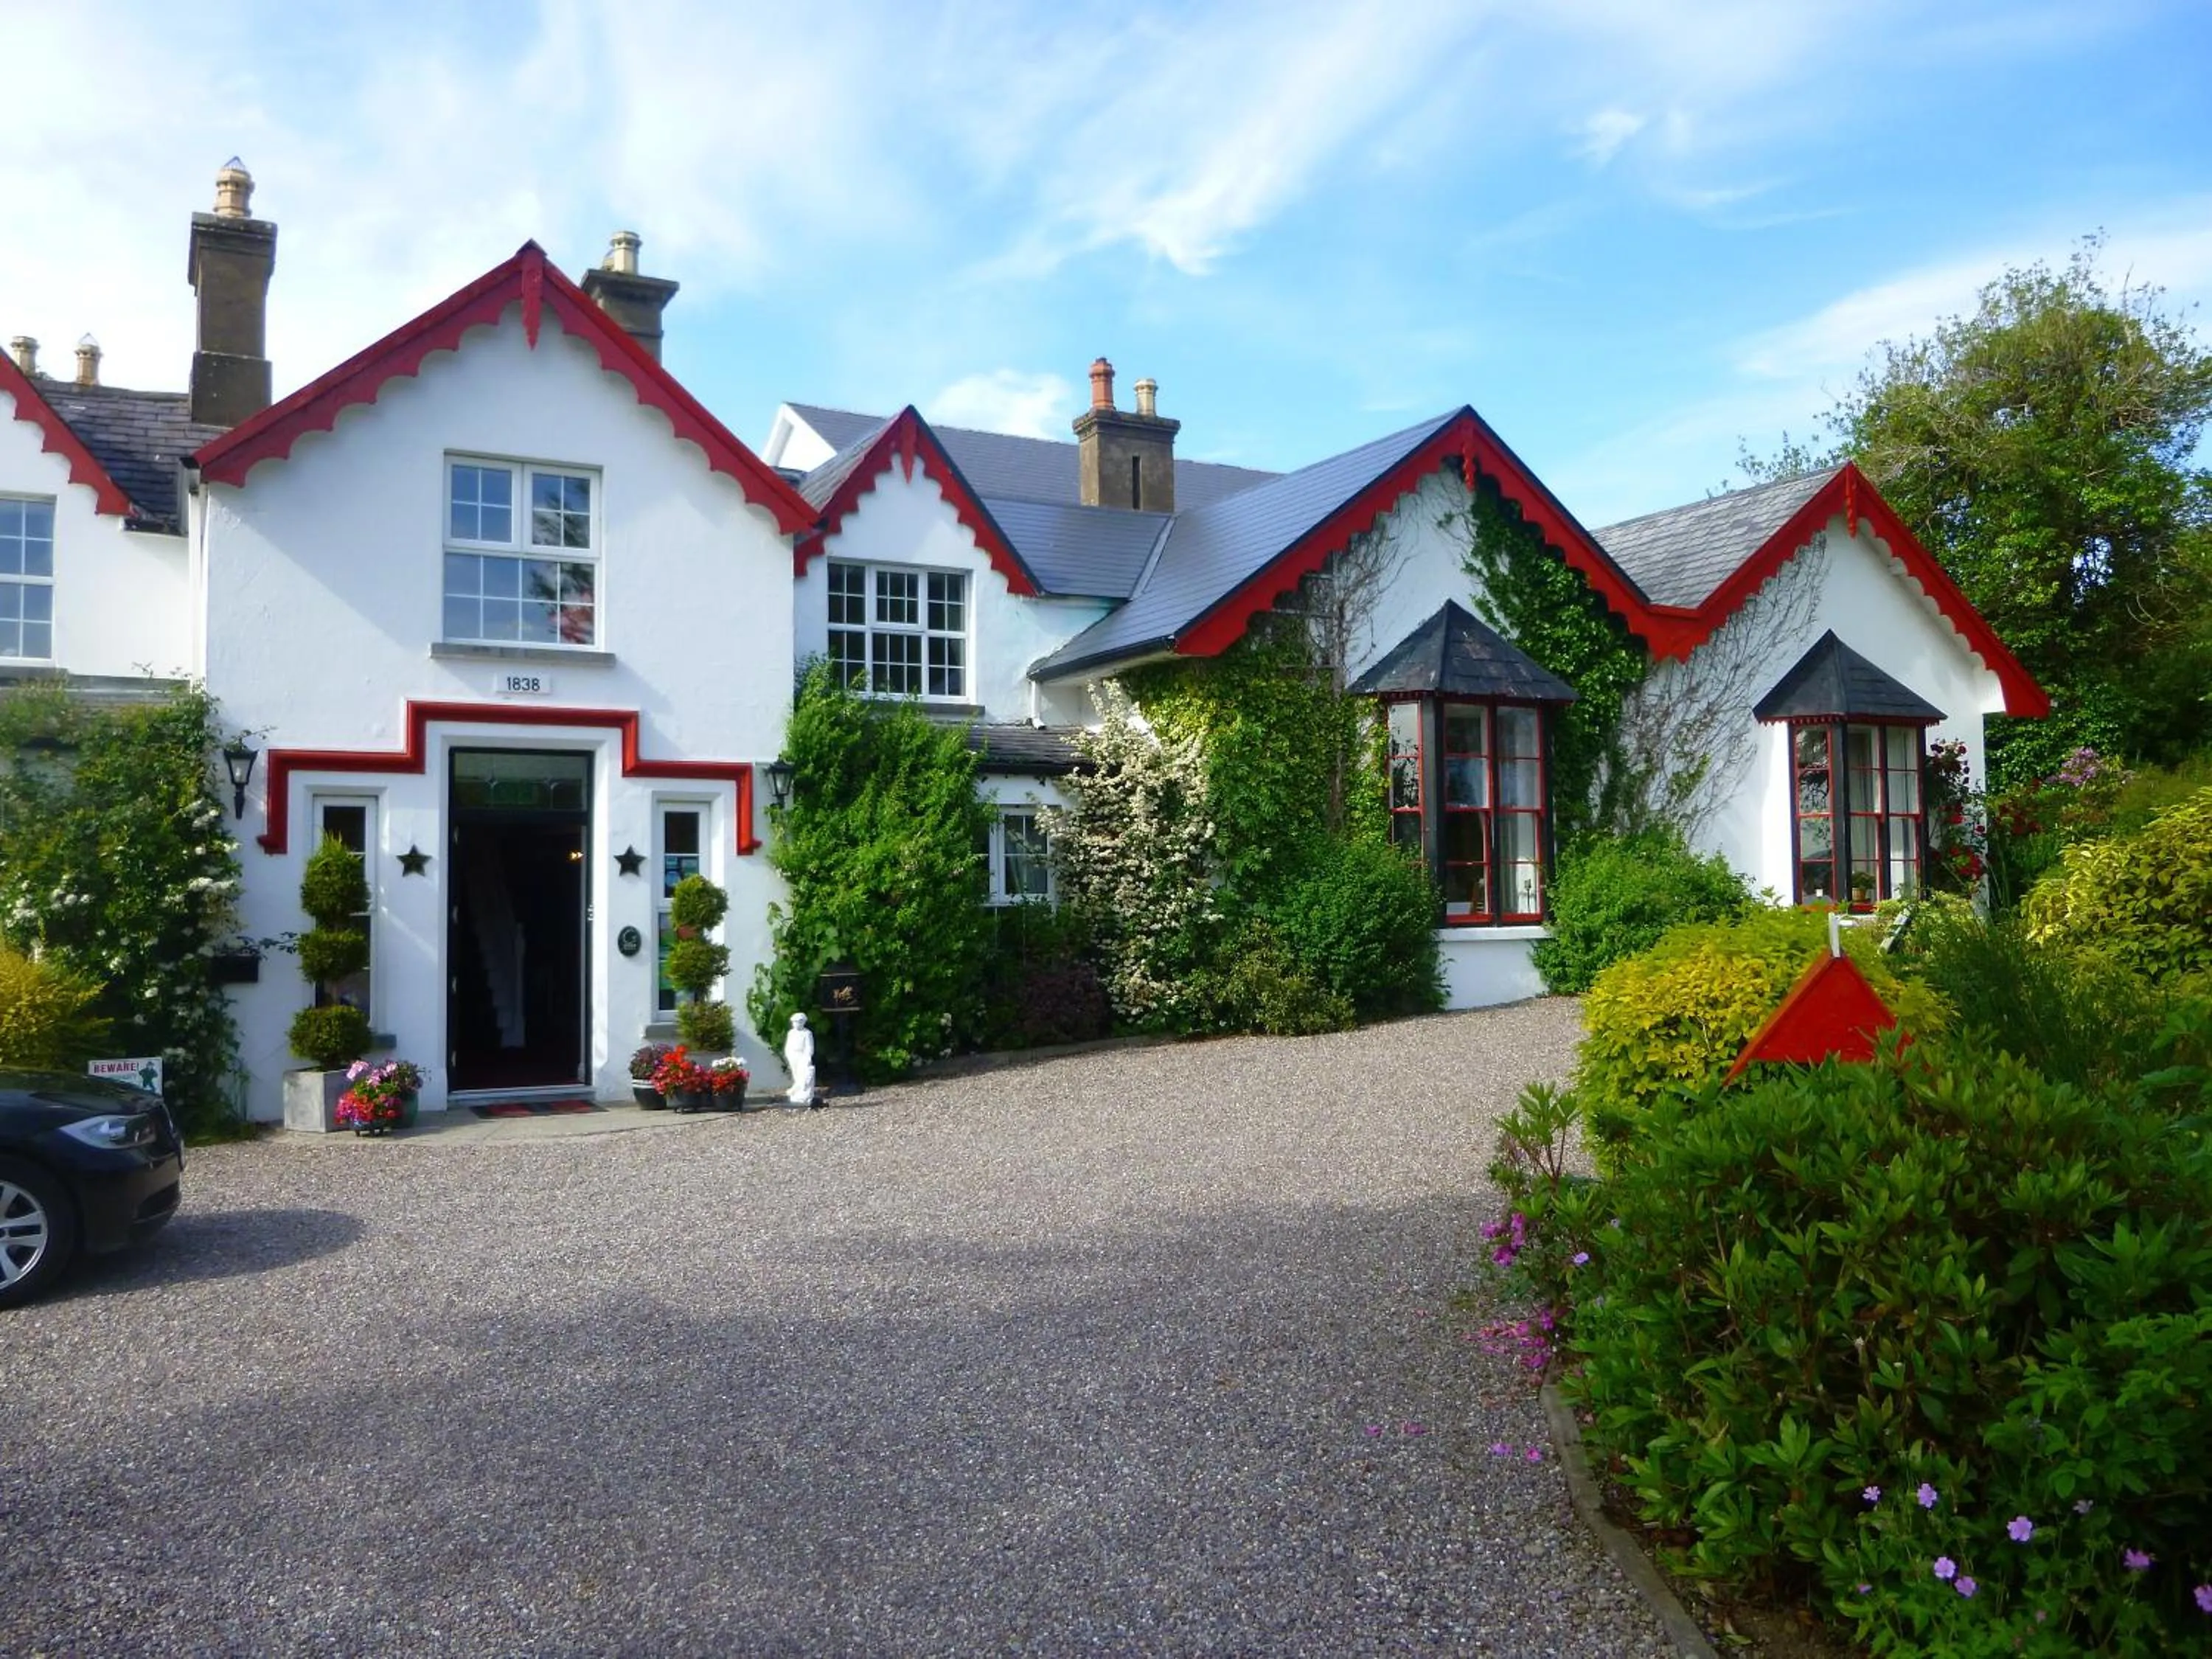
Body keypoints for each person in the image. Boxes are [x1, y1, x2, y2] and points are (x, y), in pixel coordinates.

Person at [783, 1012, 815, 1107]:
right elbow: (788, 1045)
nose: (796, 1024)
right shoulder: (791, 1033)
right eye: (795, 1022)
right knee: (795, 1073)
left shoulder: (807, 1033)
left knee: (803, 1074)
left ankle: (800, 1090)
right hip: (793, 1055)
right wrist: (788, 1054)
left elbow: (809, 1047)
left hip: (802, 1055)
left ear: (803, 1023)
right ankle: (797, 1090)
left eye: (799, 1022)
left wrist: (808, 1057)